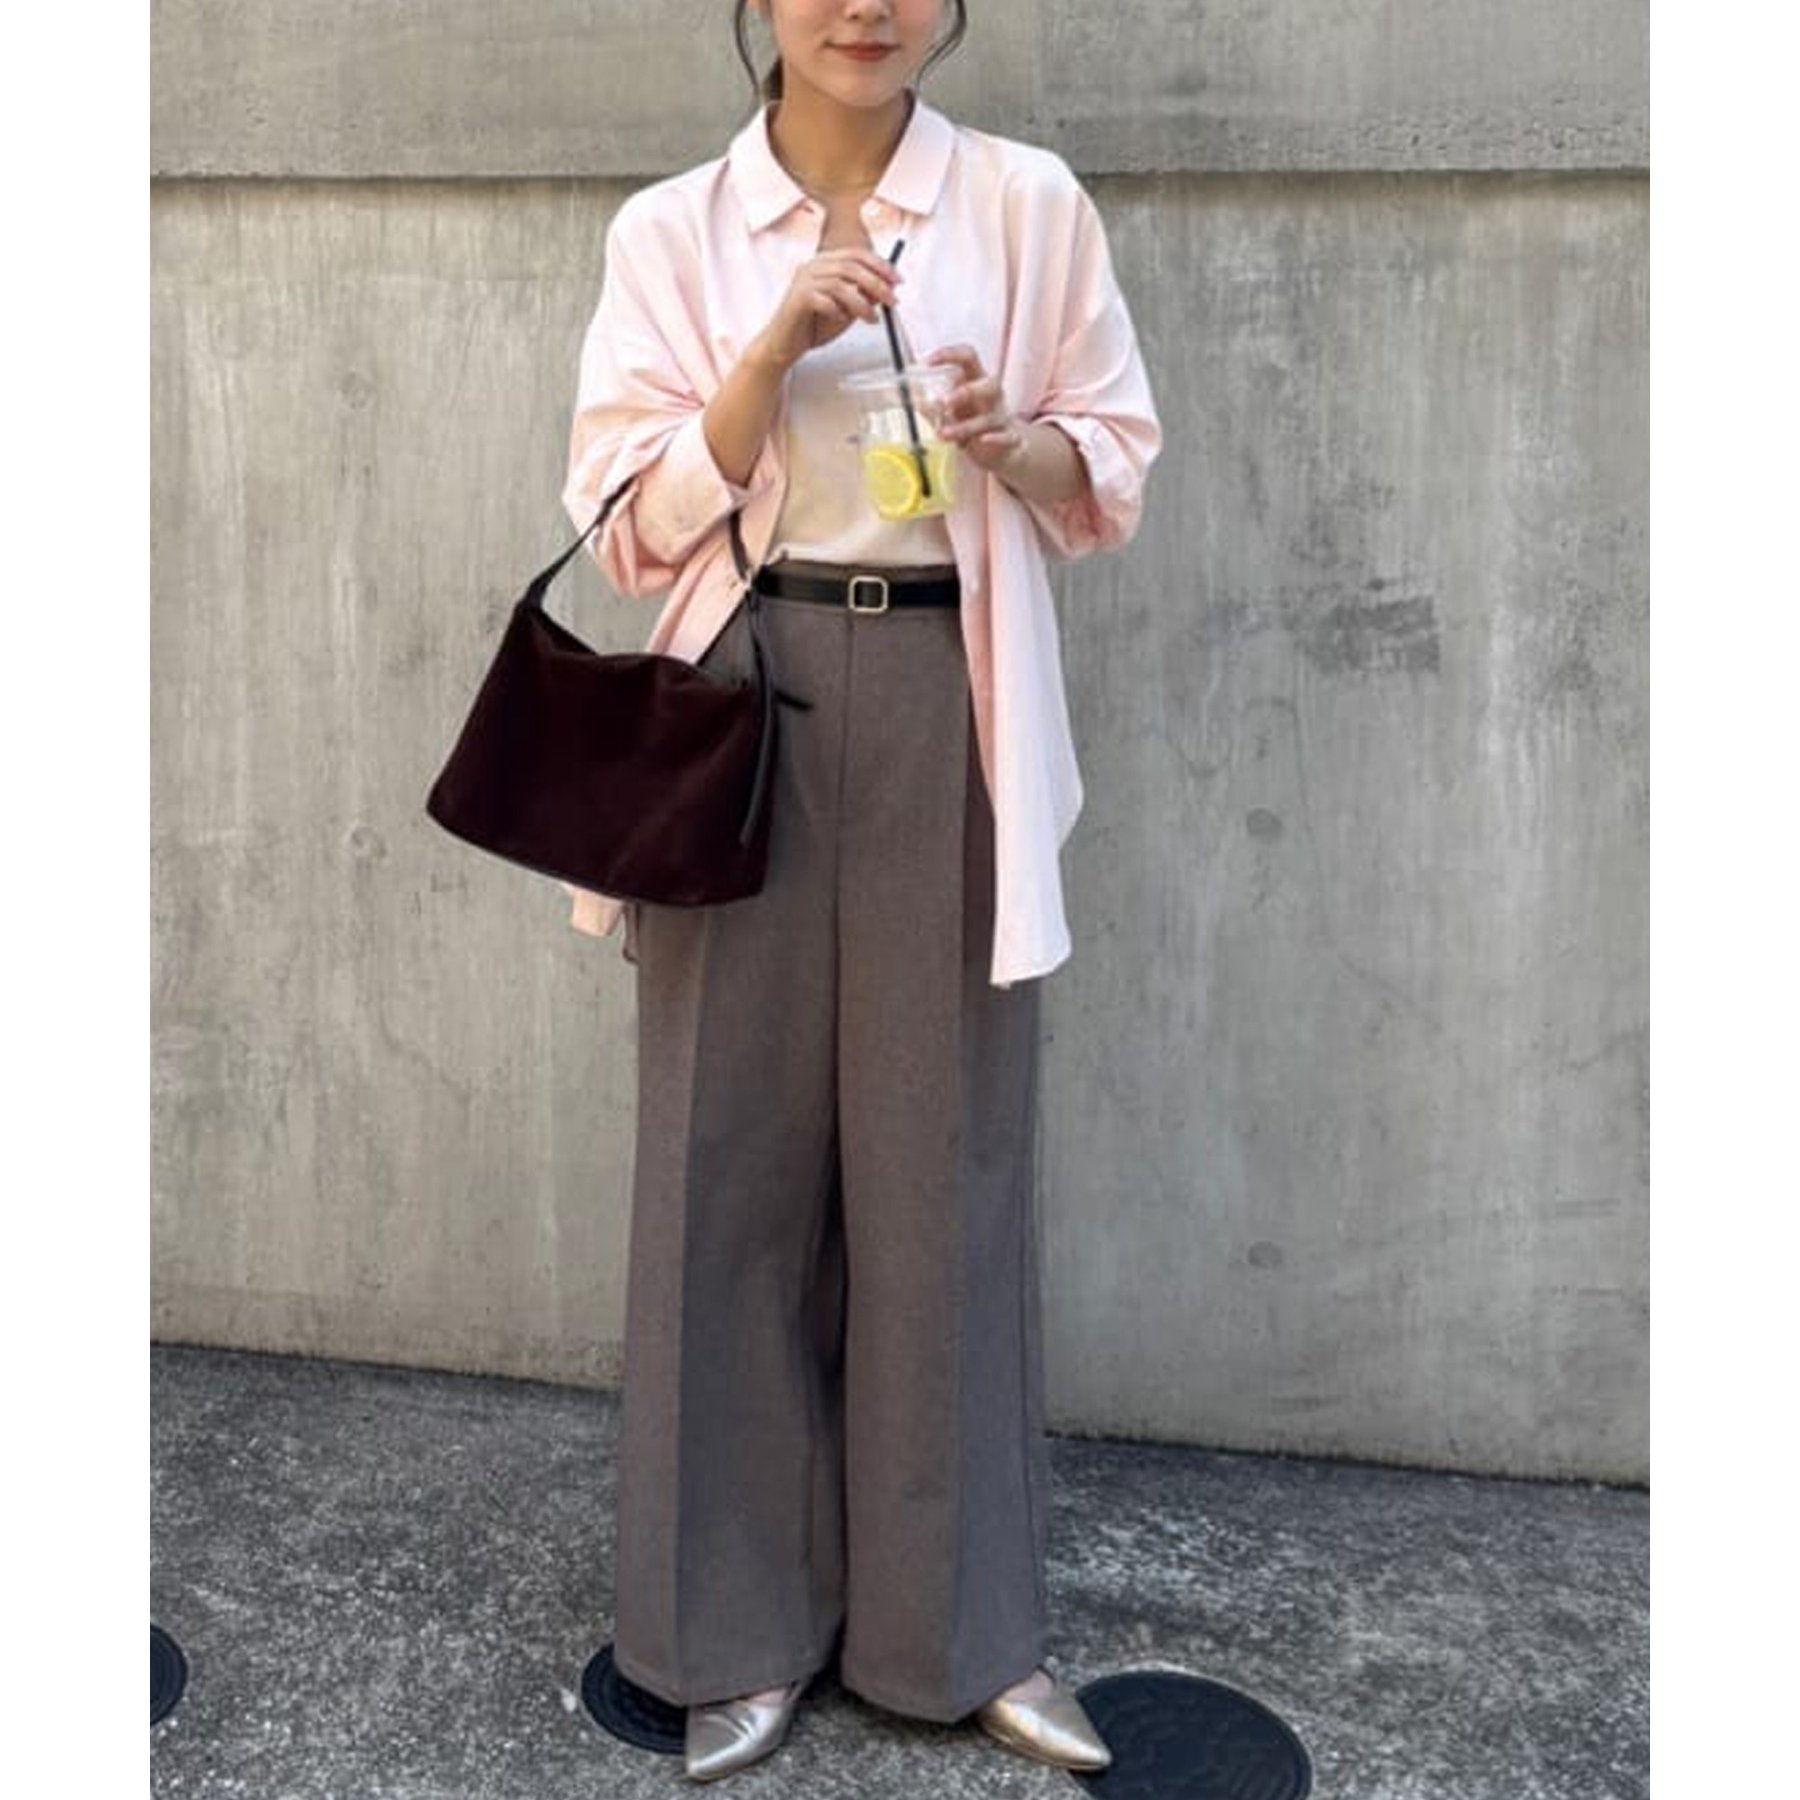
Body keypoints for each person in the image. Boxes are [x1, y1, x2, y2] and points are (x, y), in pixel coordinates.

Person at [559, 0, 1162, 1782]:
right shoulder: (675, 229)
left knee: (944, 1169)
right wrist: (766, 354)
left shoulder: (1026, 203)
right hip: (735, 702)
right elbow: (628, 529)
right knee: (721, 1165)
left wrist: (1008, 438)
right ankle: (726, 1630)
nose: (865, 7)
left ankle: (956, 1632)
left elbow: (1109, 468)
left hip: (949, 695)